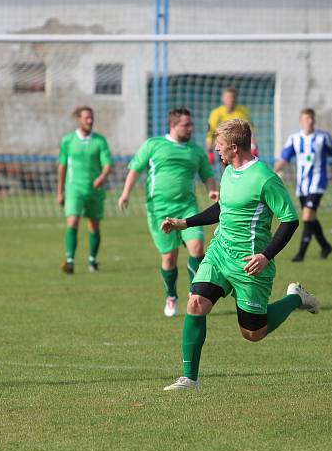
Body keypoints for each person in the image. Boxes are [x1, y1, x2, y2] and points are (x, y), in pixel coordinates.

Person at [160, 119, 319, 391]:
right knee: (196, 302)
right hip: (220, 253)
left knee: (253, 333)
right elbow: (222, 208)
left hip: (251, 263)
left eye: (219, 147)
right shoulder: (229, 170)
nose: (216, 152)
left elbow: (290, 220)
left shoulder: (265, 178)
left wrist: (266, 256)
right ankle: (189, 378)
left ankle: (295, 298)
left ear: (234, 147)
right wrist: (184, 223)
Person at [118, 108, 219, 317]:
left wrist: (212, 191)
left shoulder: (196, 151)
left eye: (191, 124)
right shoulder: (153, 144)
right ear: (173, 125)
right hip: (159, 210)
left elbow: (207, 174)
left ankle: (196, 294)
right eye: (186, 125)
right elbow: (135, 169)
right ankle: (171, 296)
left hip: (187, 208)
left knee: (198, 247)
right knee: (169, 259)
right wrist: (125, 194)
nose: (190, 128)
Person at [274, 108, 332, 262]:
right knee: (310, 218)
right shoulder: (294, 138)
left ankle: (301, 254)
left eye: (312, 118)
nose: (310, 121)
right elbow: (284, 159)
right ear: (301, 121)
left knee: (307, 216)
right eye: (307, 118)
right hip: (302, 186)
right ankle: (325, 246)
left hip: (318, 183)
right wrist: (272, 173)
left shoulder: (323, 137)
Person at [57, 106, 113, 274]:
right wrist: (60, 191)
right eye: (86, 118)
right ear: (78, 119)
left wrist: (102, 177)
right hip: (74, 188)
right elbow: (62, 166)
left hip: (95, 190)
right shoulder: (67, 141)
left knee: (94, 226)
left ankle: (92, 260)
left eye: (91, 117)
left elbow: (107, 164)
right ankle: (70, 261)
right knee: (73, 221)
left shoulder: (100, 141)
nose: (90, 121)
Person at [205, 87, 257, 167]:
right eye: (227, 97)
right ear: (223, 99)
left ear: (235, 98)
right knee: (227, 170)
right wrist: (209, 151)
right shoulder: (216, 113)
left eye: (232, 97)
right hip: (224, 146)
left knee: (244, 168)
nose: (230, 100)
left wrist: (254, 146)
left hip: (240, 146)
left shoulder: (243, 112)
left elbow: (250, 130)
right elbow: (210, 133)